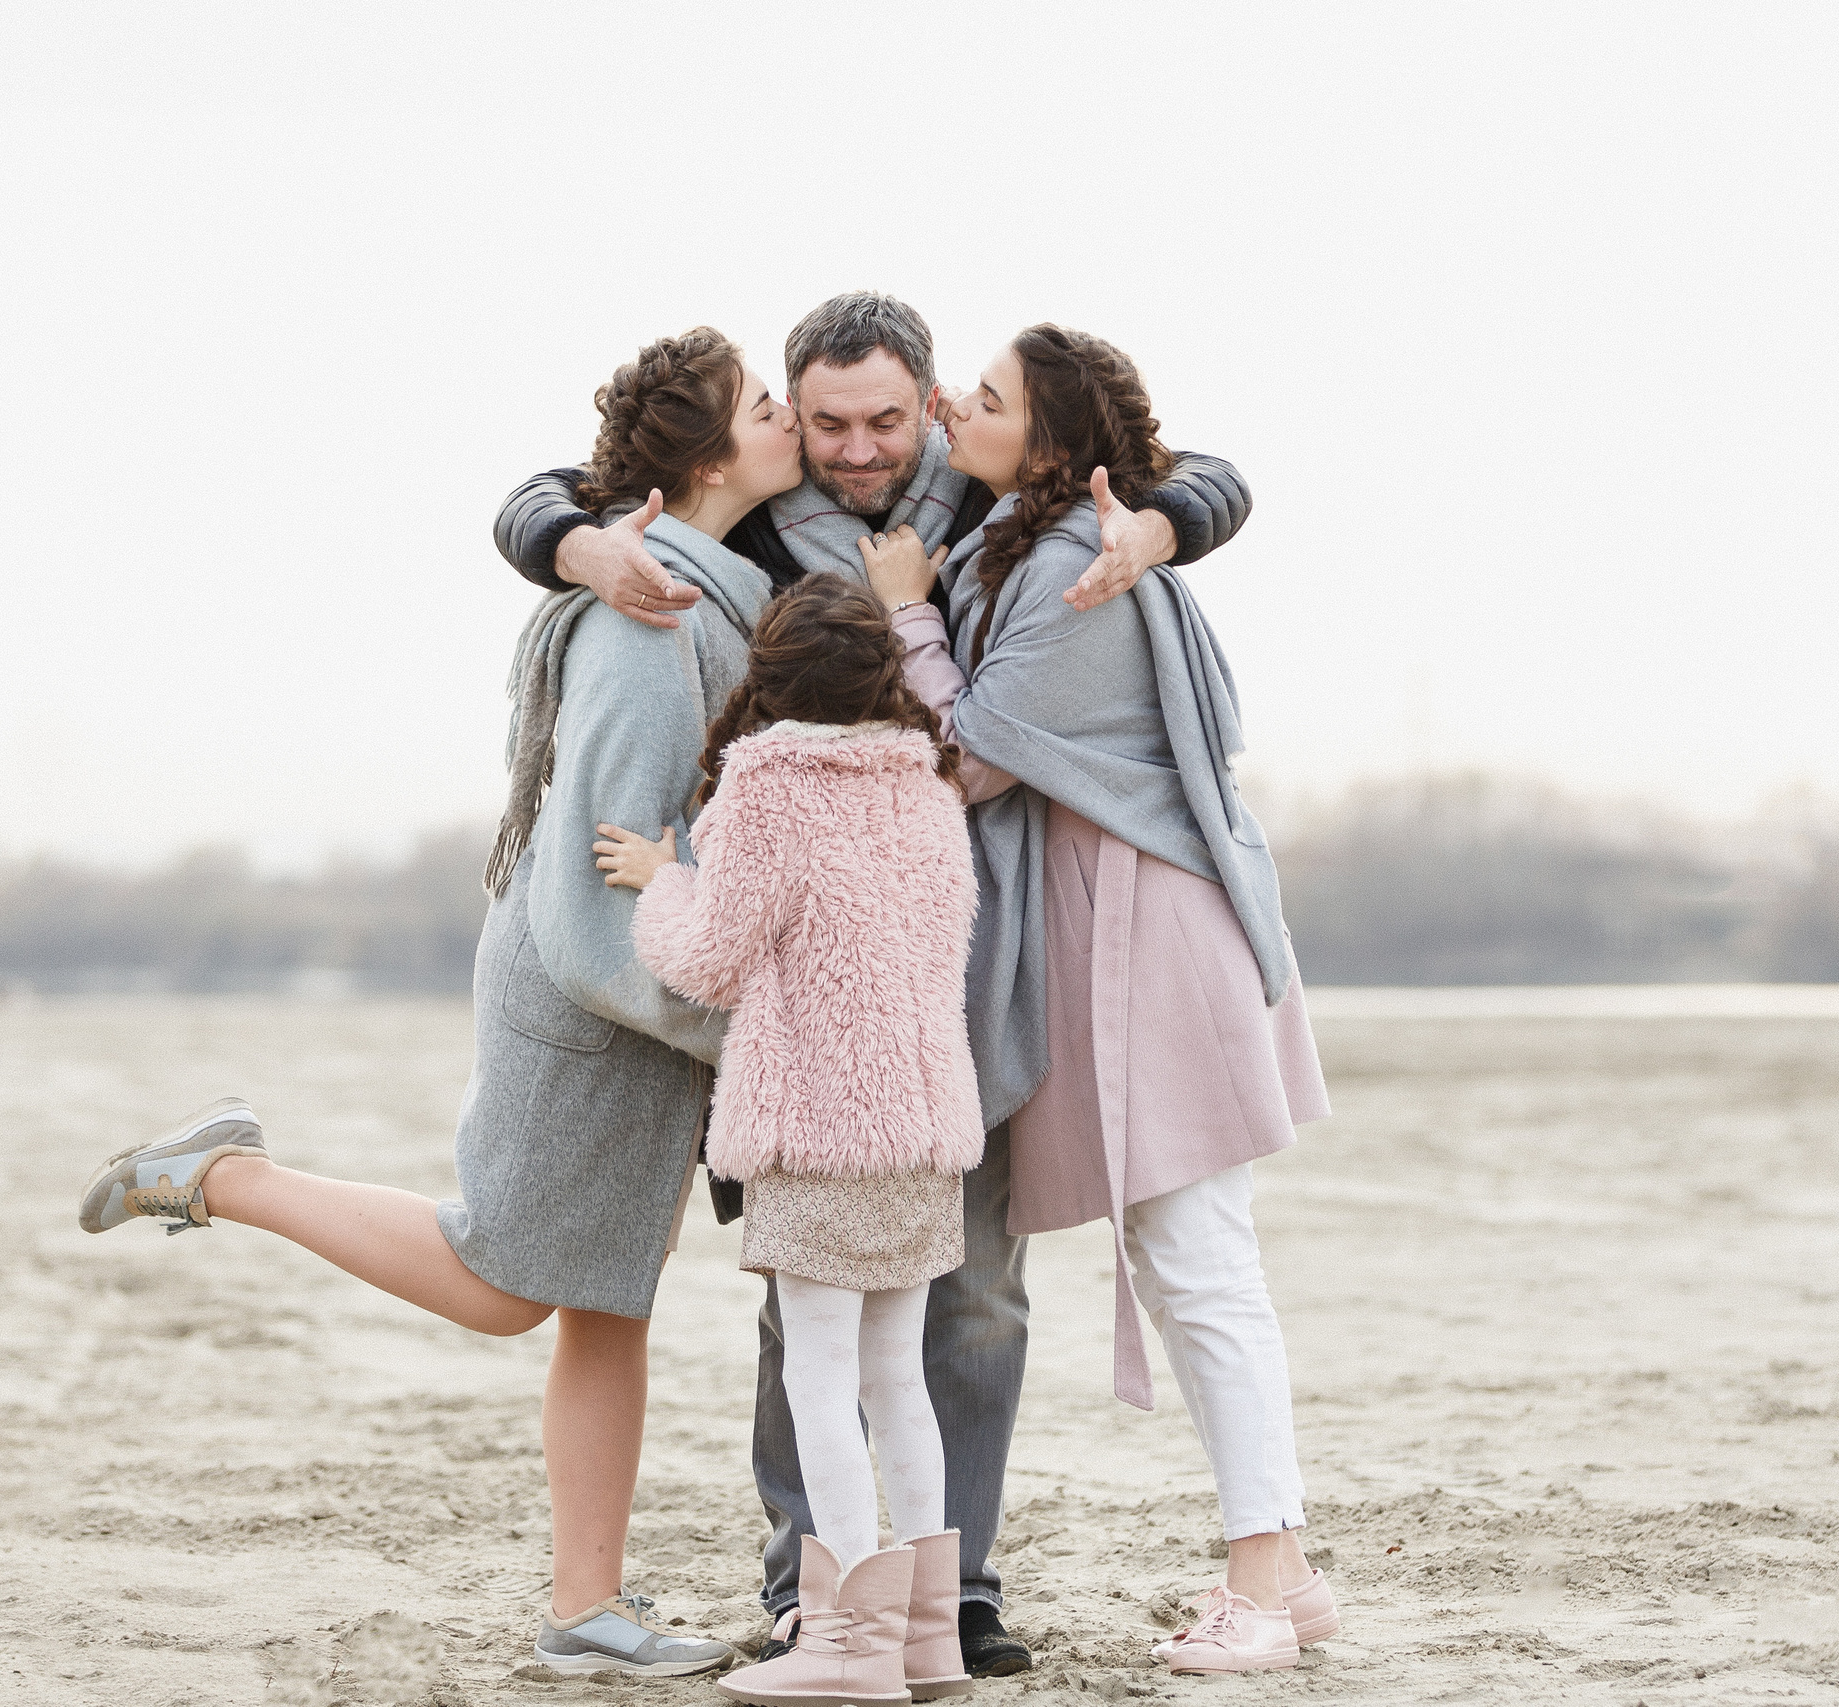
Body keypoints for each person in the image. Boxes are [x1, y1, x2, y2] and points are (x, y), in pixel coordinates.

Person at [492, 292, 1256, 1675]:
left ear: (926, 412)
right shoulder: (764, 514)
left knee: (975, 1294)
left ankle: (952, 1583)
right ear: (792, 409)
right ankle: (810, 1582)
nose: (853, 447)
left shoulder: (980, 488)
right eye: (826, 420)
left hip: (967, 970)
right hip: (799, 982)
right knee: (813, 1307)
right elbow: (544, 493)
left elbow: (1196, 470)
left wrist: (1164, 520)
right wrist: (581, 542)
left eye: (883, 421)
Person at [74, 327, 798, 1682]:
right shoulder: (657, 622)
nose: (790, 420)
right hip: (595, 999)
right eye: (766, 405)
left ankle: (588, 1606)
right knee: (499, 1281)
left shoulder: (704, 592)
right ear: (706, 458)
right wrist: (731, 1027)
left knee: (604, 1298)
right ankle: (223, 1176)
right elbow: (599, 878)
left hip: (628, 996)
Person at [859, 323, 1338, 1677]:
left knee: (1198, 1258)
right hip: (1116, 922)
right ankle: (1282, 1572)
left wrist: (902, 605)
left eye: (989, 399)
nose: (961, 405)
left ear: (1054, 445)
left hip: (1151, 926)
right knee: (1188, 1259)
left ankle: (1262, 1571)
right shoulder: (1031, 531)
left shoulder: (1075, 564)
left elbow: (969, 753)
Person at [594, 573, 987, 1706]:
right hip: (919, 1131)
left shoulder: (763, 794)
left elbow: (707, 957)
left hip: (818, 1128)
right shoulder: (928, 795)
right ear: (885, 677)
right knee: (895, 1378)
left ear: (765, 677)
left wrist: (664, 879)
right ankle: (925, 1639)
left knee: (819, 1377)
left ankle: (847, 1643)